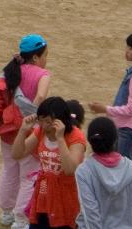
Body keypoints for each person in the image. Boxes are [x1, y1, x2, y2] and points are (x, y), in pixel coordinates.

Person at [0, 34, 52, 229]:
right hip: (29, 131)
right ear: (35, 57)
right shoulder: (43, 74)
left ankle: (6, 213)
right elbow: (41, 95)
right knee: (29, 175)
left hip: (8, 130)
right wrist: (32, 116)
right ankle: (21, 219)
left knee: (9, 170)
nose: (46, 59)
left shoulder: (10, 70)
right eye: (45, 55)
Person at [13, 96, 87, 229]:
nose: (43, 125)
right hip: (44, 192)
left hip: (65, 196)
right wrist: (23, 130)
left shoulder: (76, 137)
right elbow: (17, 154)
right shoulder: (41, 131)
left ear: (60, 121)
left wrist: (60, 139)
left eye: (48, 121)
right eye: (41, 120)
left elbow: (70, 169)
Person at [87, 32, 132, 162]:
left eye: (131, 48)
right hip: (131, 128)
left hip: (129, 130)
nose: (127, 51)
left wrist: (105, 109)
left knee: (124, 167)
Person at [75, 117, 132, 229]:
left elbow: (90, 213)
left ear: (90, 141)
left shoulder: (84, 171)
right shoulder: (131, 167)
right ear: (115, 140)